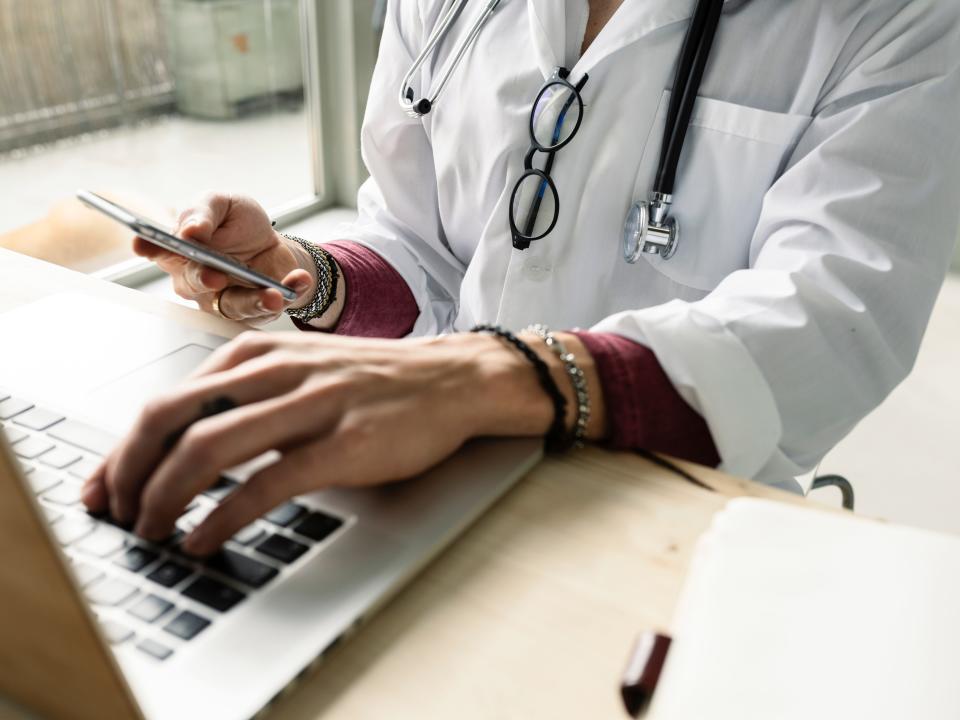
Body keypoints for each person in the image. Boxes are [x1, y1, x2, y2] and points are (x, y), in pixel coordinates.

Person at [83, 0, 960, 555]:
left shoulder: (899, 17)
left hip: (668, 510)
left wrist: (512, 376)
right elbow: (419, 240)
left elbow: (837, 317)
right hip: (437, 464)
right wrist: (306, 274)